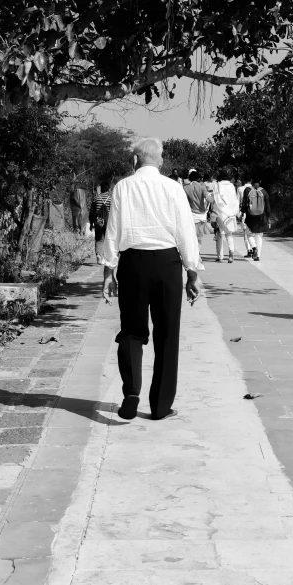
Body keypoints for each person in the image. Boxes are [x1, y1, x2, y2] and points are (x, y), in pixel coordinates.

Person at [102, 138, 201, 421]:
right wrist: (191, 273)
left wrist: (109, 272)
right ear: (160, 161)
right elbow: (185, 232)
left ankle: (131, 392)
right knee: (167, 335)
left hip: (133, 263)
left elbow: (113, 231)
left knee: (132, 331)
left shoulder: (122, 187)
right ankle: (160, 406)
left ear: (134, 161)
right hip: (168, 264)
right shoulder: (173, 188)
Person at [183, 170, 212, 271]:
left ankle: (195, 257)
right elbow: (209, 199)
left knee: (191, 238)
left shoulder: (186, 188)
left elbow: (184, 203)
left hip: (191, 216)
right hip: (201, 216)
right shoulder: (202, 187)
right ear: (198, 178)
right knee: (199, 238)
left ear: (189, 178)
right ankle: (198, 257)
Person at [212, 168, 239, 263]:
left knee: (219, 234)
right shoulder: (232, 186)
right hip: (231, 214)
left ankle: (220, 256)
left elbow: (215, 200)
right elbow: (234, 199)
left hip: (221, 213)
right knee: (229, 234)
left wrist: (213, 214)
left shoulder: (217, 185)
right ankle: (231, 252)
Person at [241, 178, 271, 261]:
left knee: (249, 234)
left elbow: (244, 203)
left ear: (252, 182)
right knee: (259, 236)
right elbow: (267, 207)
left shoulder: (247, 190)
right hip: (261, 216)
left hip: (250, 216)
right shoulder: (264, 192)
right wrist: (268, 217)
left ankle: (254, 248)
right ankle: (258, 256)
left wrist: (242, 213)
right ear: (260, 182)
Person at [89, 181, 111, 264]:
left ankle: (98, 254)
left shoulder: (96, 198)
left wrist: (91, 223)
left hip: (98, 222)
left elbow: (92, 211)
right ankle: (107, 258)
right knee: (108, 239)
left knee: (99, 239)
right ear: (108, 189)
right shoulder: (110, 199)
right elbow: (113, 211)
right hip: (108, 222)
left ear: (101, 189)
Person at [237, 172, 253, 258]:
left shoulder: (240, 189)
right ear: (251, 180)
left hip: (243, 212)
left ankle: (249, 250)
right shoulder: (255, 189)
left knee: (245, 233)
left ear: (243, 180)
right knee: (252, 232)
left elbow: (237, 201)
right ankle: (253, 247)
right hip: (253, 213)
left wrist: (238, 213)